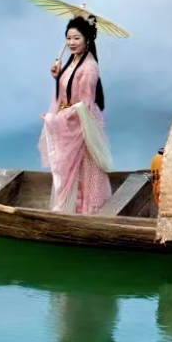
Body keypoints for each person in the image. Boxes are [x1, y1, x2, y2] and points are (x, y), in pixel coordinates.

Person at [40, 16, 113, 213]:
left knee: (85, 167)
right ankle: (74, 207)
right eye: (68, 38)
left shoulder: (89, 68)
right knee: (72, 167)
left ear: (87, 40)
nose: (71, 43)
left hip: (83, 121)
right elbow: (66, 92)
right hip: (71, 116)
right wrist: (57, 76)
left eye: (76, 38)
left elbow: (85, 104)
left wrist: (56, 118)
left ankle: (88, 210)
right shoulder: (73, 60)